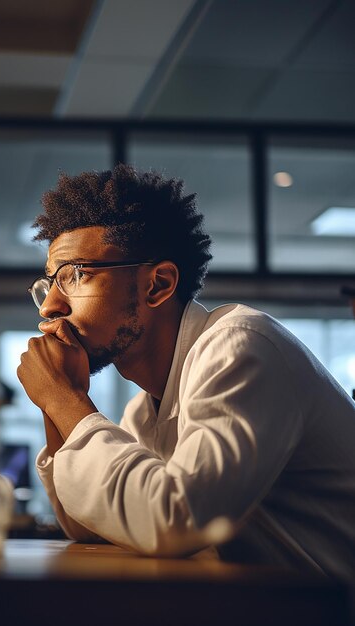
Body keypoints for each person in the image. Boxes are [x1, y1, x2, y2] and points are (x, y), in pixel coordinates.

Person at [17, 164, 355, 580]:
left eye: (76, 275)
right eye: (49, 283)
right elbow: (88, 525)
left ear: (157, 285)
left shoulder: (241, 347)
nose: (50, 306)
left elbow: (174, 519)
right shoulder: (144, 410)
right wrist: (57, 398)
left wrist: (63, 398)